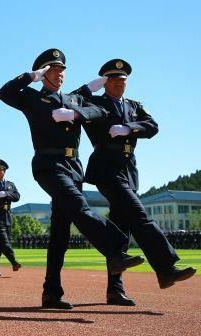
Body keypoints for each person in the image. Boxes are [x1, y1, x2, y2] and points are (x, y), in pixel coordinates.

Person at [0, 48, 144, 309]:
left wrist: (85, 98)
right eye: (53, 69)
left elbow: (93, 106)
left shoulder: (73, 99)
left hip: (73, 167)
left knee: (61, 234)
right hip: (48, 164)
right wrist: (31, 76)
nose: (60, 73)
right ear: (43, 73)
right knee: (78, 205)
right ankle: (115, 250)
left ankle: (51, 293)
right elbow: (4, 93)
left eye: (62, 69)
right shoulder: (32, 98)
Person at [73, 59, 196, 304]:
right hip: (106, 167)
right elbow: (69, 101)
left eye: (123, 80)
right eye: (114, 79)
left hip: (129, 169)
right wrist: (88, 88)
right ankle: (166, 267)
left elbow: (152, 126)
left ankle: (114, 290)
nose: (119, 83)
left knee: (122, 227)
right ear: (105, 82)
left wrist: (129, 128)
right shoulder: (95, 102)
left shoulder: (134, 106)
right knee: (140, 216)